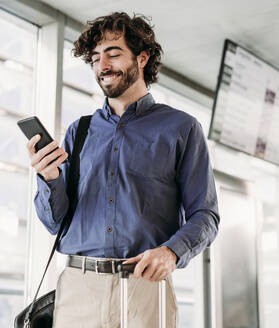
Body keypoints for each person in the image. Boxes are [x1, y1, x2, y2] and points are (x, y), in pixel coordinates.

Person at [26, 12, 220, 328]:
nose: (102, 66)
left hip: (144, 288)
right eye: (95, 58)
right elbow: (55, 222)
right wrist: (49, 178)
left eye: (113, 54)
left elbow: (205, 215)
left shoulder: (181, 128)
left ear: (142, 58)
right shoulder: (81, 130)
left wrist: (171, 252)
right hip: (79, 288)